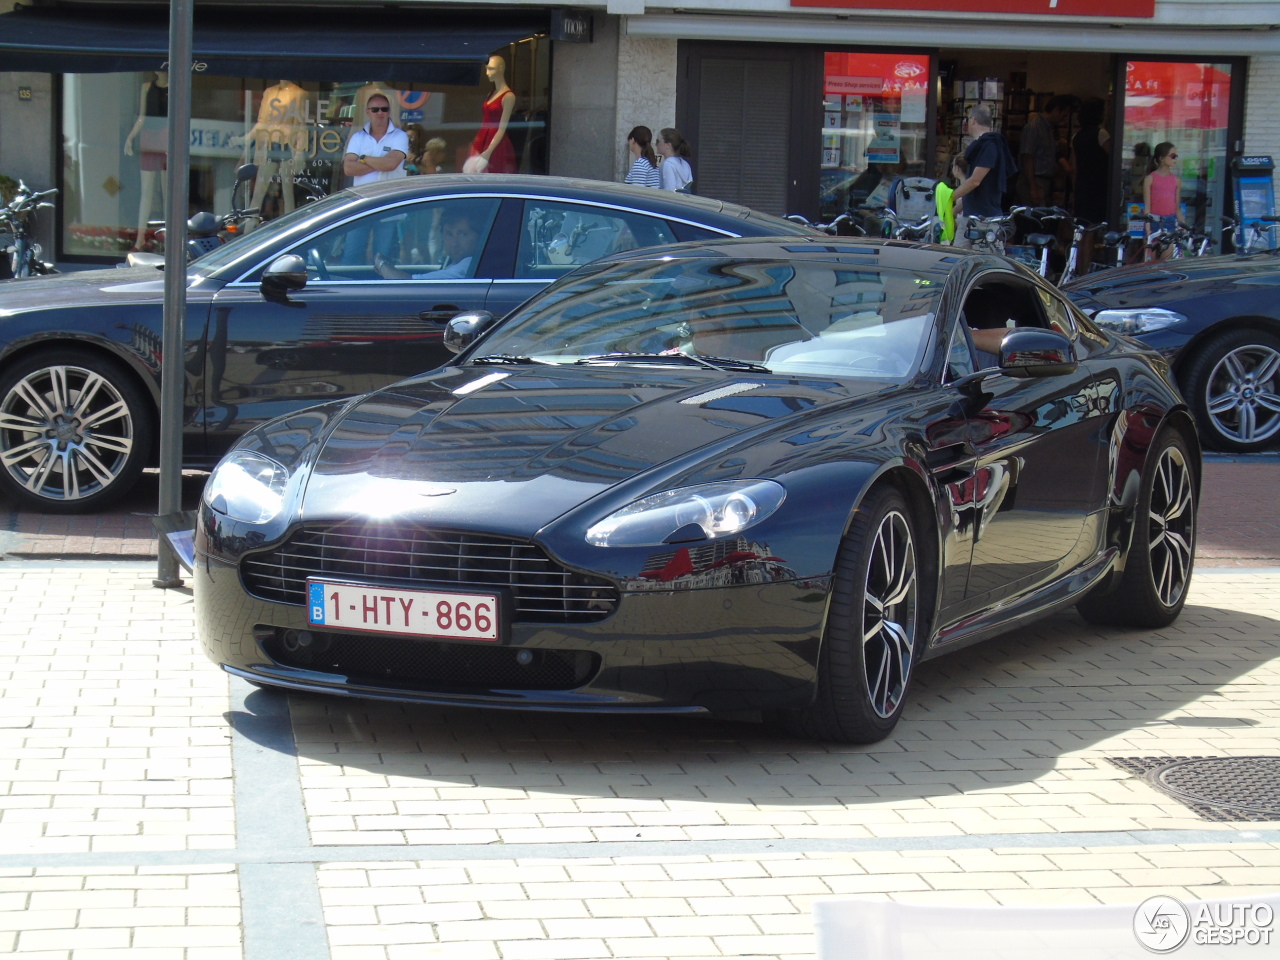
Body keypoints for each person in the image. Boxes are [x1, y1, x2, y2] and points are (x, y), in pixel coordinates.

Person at [240, 80, 309, 232]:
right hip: (269, 146)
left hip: (287, 146)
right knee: (259, 190)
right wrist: (246, 138)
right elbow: (262, 122)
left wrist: (299, 151)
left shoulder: (298, 93)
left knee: (287, 192)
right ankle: (249, 227)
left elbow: (301, 124)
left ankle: (291, 229)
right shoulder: (269, 92)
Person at [951, 105, 1015, 249]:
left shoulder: (990, 145)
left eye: (967, 120)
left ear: (973, 121)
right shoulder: (980, 145)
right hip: (970, 215)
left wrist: (949, 197)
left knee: (985, 264)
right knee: (956, 260)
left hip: (985, 219)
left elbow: (975, 181)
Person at [122, 71, 168, 250]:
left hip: (166, 139)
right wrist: (131, 137)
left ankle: (168, 236)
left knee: (167, 193)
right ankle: (140, 238)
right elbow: (142, 116)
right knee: (146, 191)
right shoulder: (146, 88)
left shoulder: (176, 87)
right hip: (149, 138)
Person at [374, 207, 481, 280]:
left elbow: (410, 285)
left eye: (463, 234)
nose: (454, 243)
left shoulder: (468, 265)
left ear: (479, 236)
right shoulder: (456, 263)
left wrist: (381, 264)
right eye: (449, 234)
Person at [1018, 94, 1073, 207]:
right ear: (1057, 110)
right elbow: (1028, 157)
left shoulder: (1048, 128)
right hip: (1035, 180)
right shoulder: (1034, 127)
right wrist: (1033, 188)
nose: (1064, 120)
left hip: (1044, 181)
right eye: (1063, 116)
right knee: (1033, 219)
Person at [343, 91, 409, 185]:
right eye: (375, 109)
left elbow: (391, 164)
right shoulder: (357, 137)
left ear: (389, 112)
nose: (380, 112)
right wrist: (383, 162)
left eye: (384, 109)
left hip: (391, 196)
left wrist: (363, 158)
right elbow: (348, 169)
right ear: (368, 112)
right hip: (364, 197)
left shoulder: (400, 136)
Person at [467, 55, 517, 174]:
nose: (487, 73)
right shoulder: (491, 93)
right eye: (487, 69)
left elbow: (502, 128)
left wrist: (488, 152)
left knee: (492, 172)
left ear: (501, 68)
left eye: (491, 69)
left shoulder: (508, 96)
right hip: (482, 137)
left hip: (495, 143)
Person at [1071, 98, 1111, 226]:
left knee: (1082, 225)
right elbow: (1111, 157)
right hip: (1098, 186)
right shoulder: (1101, 134)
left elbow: (1074, 166)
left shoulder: (1076, 136)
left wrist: (1074, 188)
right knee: (1093, 226)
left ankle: (1080, 246)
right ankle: (1088, 247)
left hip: (1082, 185)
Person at [1143, 141, 1182, 234]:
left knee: (1170, 248)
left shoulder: (1177, 180)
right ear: (1162, 158)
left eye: (1176, 156)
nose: (1175, 158)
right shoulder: (1150, 179)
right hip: (1154, 221)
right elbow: (1147, 207)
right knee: (1154, 248)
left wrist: (1183, 226)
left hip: (1171, 221)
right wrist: (1148, 229)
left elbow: (1177, 207)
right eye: (1173, 156)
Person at [656, 128, 694, 192]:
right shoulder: (685, 164)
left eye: (658, 141)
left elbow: (669, 192)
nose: (656, 144)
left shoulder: (668, 164)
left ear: (668, 145)